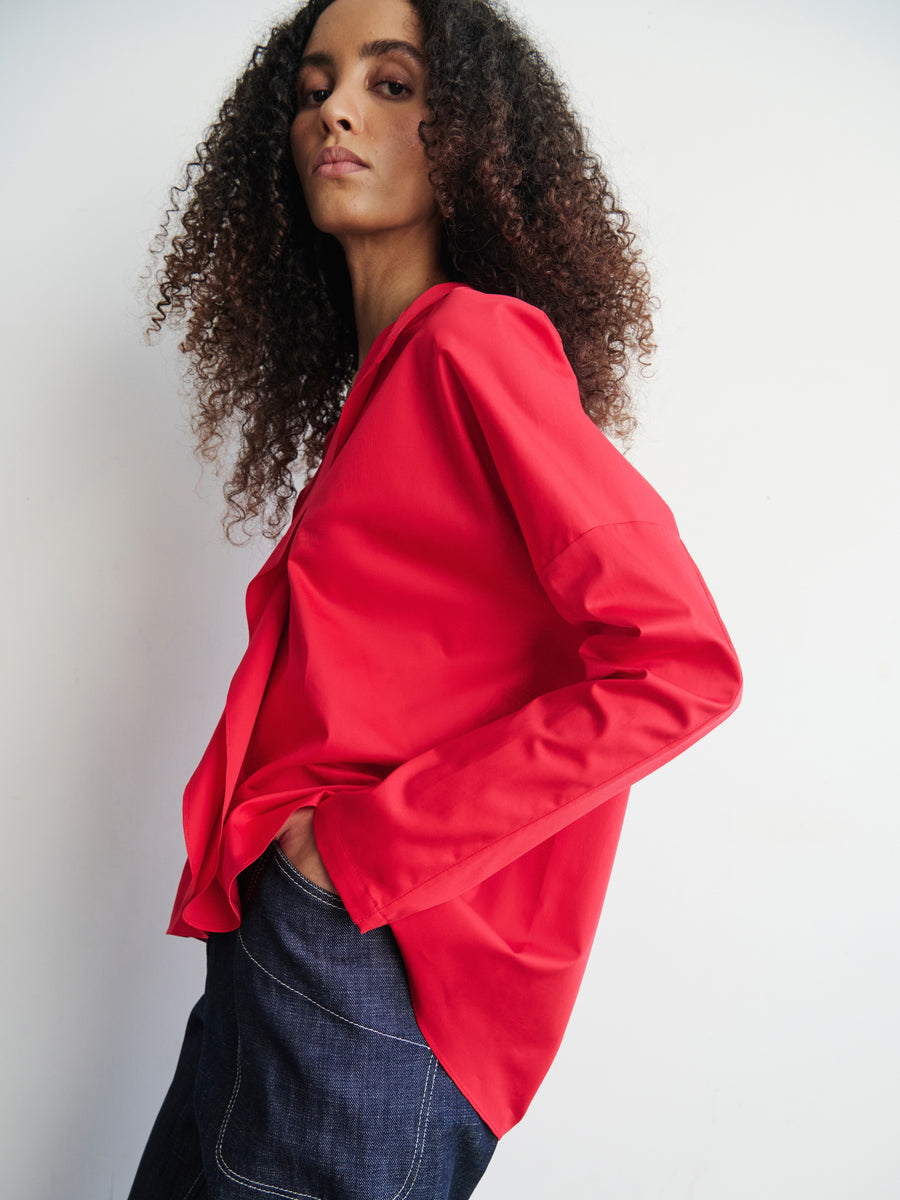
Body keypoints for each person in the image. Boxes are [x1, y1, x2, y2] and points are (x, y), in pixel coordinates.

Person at [128, 0, 742, 1195]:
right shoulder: (386, 387)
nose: (336, 110)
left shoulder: (470, 346)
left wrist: (355, 849)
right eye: (313, 88)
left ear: (468, 139)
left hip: (370, 963)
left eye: (390, 83)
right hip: (292, 951)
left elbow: (678, 665)